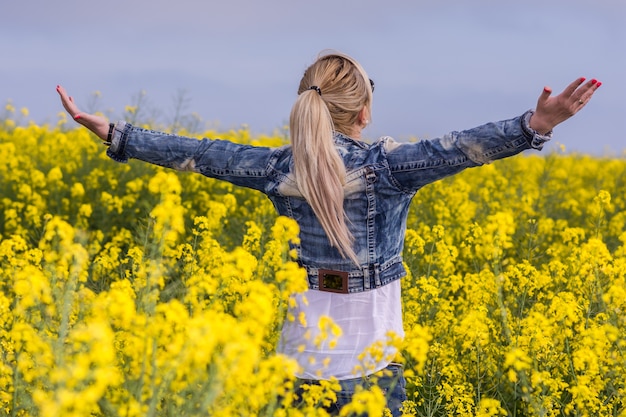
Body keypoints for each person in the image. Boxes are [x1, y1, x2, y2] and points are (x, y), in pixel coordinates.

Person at [57, 50, 601, 416]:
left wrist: (117, 133)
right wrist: (536, 125)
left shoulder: (275, 169)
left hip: (294, 370)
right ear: (363, 112)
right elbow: (456, 148)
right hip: (372, 373)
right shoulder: (385, 170)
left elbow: (197, 153)